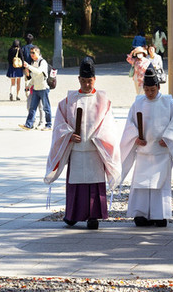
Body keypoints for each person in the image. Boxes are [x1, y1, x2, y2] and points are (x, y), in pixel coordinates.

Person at [44, 57, 121, 230]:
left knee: (94, 184)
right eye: (84, 81)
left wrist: (99, 137)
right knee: (76, 184)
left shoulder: (102, 101)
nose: (87, 84)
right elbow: (59, 125)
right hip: (77, 150)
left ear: (95, 80)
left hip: (95, 149)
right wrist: (69, 135)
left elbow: (108, 126)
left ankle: (94, 216)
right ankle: (72, 215)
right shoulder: (68, 101)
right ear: (79, 79)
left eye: (90, 81)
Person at [120, 66, 173, 227]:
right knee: (141, 184)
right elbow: (130, 125)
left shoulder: (168, 102)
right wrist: (134, 138)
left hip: (161, 151)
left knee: (160, 184)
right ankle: (140, 214)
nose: (149, 93)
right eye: (146, 89)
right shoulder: (138, 102)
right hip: (143, 151)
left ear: (158, 87)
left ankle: (159, 215)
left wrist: (168, 138)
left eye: (152, 89)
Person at [19, 46, 52, 130]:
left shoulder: (43, 62)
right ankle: (28, 125)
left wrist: (28, 66)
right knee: (32, 108)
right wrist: (28, 86)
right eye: (30, 53)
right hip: (35, 89)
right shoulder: (33, 63)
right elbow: (33, 77)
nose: (31, 55)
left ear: (38, 53)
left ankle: (48, 125)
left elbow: (38, 71)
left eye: (33, 52)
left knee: (46, 108)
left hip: (43, 88)